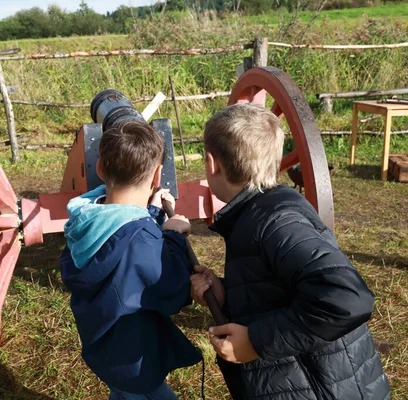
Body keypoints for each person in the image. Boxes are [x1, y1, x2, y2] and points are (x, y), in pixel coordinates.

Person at [190, 103, 390, 399]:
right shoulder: (262, 215)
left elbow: (348, 299)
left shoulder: (276, 223)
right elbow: (276, 292)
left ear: (211, 164)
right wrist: (226, 294)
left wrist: (256, 341)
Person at [60, 120, 202, 399]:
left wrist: (152, 212)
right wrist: (172, 236)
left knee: (122, 391)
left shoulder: (86, 220)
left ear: (100, 169)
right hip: (134, 359)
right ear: (158, 174)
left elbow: (121, 234)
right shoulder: (141, 240)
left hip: (104, 348)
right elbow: (173, 288)